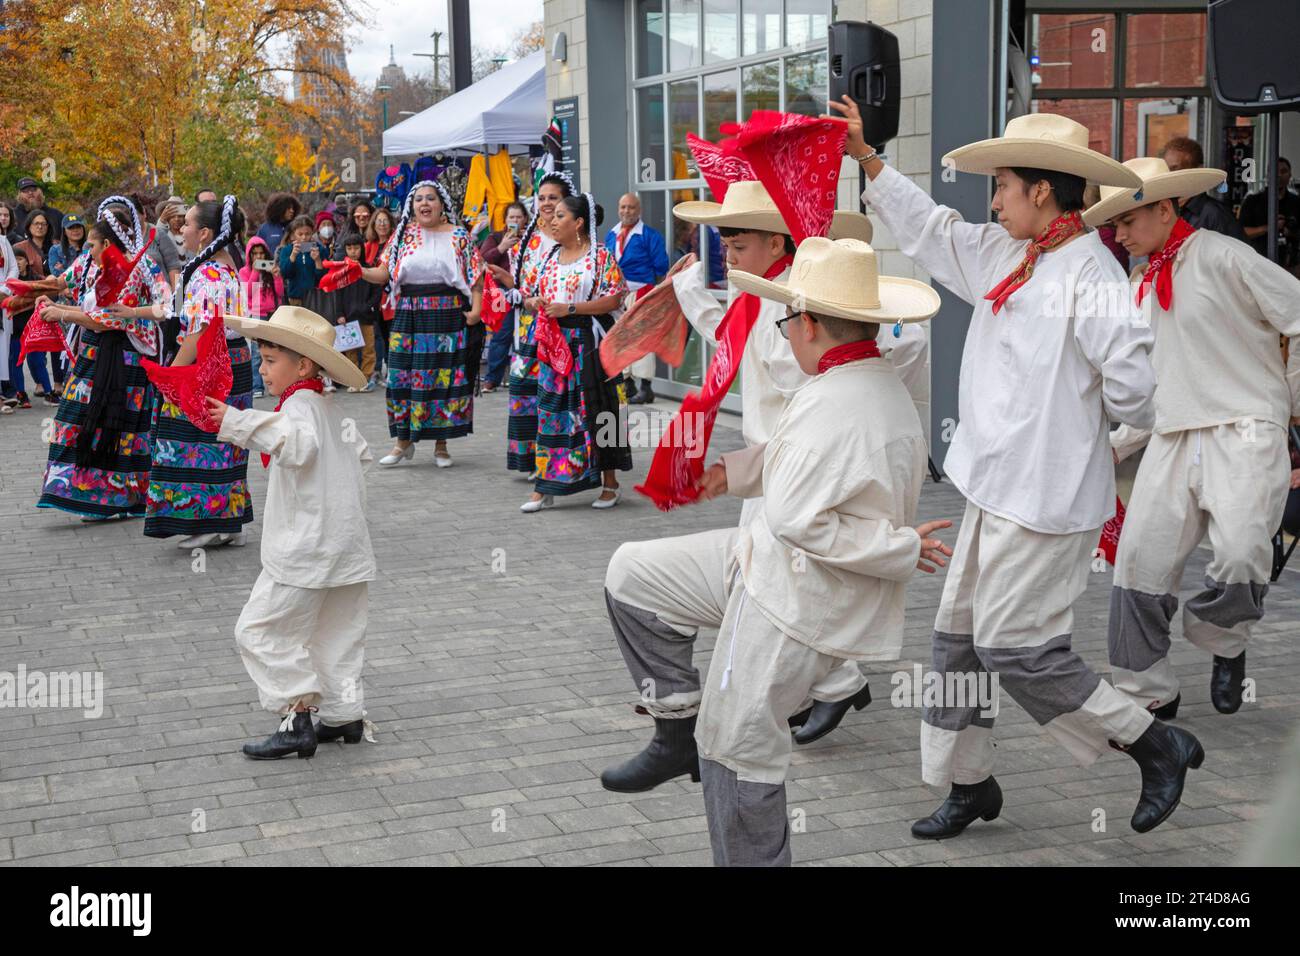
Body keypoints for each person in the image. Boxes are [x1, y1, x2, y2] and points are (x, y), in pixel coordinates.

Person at [831, 96, 1205, 837]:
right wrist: (869, 160)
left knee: (1015, 647)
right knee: (959, 640)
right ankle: (968, 784)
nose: (991, 199)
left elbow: (1138, 394)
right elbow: (934, 234)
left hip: (1048, 498)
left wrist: (1088, 403)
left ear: (1041, 189)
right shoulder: (1013, 254)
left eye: (1001, 185)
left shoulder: (1091, 276)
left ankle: (1150, 739)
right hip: (994, 487)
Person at [602, 238, 945, 865]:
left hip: (794, 601)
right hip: (765, 563)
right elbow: (795, 461)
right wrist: (727, 474)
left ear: (809, 323)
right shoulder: (850, 375)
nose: (783, 334)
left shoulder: (847, 399)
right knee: (632, 575)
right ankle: (676, 723)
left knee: (737, 747)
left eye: (788, 321)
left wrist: (893, 548)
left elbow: (800, 520)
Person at [659, 179, 884, 747]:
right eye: (726, 247)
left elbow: (799, 374)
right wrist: (691, 292)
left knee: (773, 582)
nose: (728, 258)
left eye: (737, 247)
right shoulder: (761, 293)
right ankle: (831, 681)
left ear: (777, 244)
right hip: (767, 462)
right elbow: (732, 341)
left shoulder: (792, 303)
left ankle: (805, 688)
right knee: (767, 578)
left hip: (787, 461)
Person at [1086, 157, 1300, 720]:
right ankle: (1148, 690)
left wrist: (1294, 408)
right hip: (1171, 436)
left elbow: (1298, 311)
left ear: (1165, 208)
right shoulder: (1134, 287)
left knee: (1241, 554)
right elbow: (1153, 382)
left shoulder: (1226, 255)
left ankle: (1224, 642)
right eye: (1114, 226)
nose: (1120, 235)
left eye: (1128, 221)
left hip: (1245, 425)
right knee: (1137, 563)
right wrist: (1114, 444)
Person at [205, 305, 375, 759]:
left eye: (270, 361)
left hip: (307, 548)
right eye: (261, 360)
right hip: (347, 546)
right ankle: (344, 715)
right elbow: (357, 455)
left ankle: (298, 716)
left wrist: (233, 420)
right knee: (335, 633)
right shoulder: (328, 406)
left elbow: (294, 443)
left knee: (258, 630)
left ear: (303, 364)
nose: (263, 371)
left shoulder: (299, 407)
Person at [33, 197, 170, 520]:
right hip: (95, 352)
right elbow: (68, 290)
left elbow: (109, 318)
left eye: (92, 244)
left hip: (122, 357)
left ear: (108, 242)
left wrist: (62, 313)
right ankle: (104, 496)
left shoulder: (134, 269)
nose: (87, 250)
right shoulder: (95, 264)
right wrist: (36, 297)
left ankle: (107, 497)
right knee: (88, 420)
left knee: (114, 425)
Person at [144, 196, 255, 549]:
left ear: (205, 233)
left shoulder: (209, 274)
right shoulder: (212, 266)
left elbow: (198, 335)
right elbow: (176, 312)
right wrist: (131, 313)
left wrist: (171, 378)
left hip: (211, 363)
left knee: (204, 441)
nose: (182, 229)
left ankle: (214, 521)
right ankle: (224, 521)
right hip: (226, 361)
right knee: (219, 440)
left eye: (188, 223)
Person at [515, 194, 630, 511]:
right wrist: (535, 302)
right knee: (552, 412)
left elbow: (615, 298)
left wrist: (571, 307)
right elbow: (529, 294)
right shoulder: (549, 256)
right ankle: (546, 484)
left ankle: (610, 483)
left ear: (579, 223)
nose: (551, 220)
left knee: (599, 409)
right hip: (554, 344)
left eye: (560, 215)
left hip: (588, 342)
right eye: (551, 215)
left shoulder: (600, 257)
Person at [358, 180, 484, 468]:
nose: (424, 204)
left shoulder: (459, 236)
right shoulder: (402, 236)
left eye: (430, 199)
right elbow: (383, 273)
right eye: (419, 200)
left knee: (443, 377)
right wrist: (360, 271)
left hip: (448, 314)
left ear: (442, 206)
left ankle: (441, 445)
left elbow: (476, 275)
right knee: (402, 376)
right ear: (411, 207)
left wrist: (476, 311)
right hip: (409, 314)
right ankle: (403, 441)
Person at [485, 172, 572, 476]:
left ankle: (559, 459)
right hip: (529, 325)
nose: (547, 203)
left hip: (564, 325)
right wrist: (517, 289)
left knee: (556, 392)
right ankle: (534, 459)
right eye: (543, 197)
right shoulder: (529, 239)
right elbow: (520, 285)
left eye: (554, 197)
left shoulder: (574, 237)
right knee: (527, 391)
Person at [605, 192, 669, 404]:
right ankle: (628, 384)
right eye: (623, 207)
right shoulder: (611, 235)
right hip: (618, 295)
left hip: (641, 292)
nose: (626, 211)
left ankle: (646, 386)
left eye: (631, 207)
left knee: (641, 339)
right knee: (621, 339)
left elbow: (661, 265)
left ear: (639, 210)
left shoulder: (650, 236)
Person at [478, 200, 530, 393]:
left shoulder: (532, 237)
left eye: (518, 217)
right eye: (511, 217)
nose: (515, 220)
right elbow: (481, 260)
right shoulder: (496, 236)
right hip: (501, 292)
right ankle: (492, 378)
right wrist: (502, 247)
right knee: (501, 335)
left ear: (525, 218)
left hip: (527, 291)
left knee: (528, 334)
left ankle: (525, 376)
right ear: (505, 220)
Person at [1162, 136, 1246, 240]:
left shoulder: (1216, 214)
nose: (1168, 176)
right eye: (1166, 170)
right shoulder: (1165, 211)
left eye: (1175, 169)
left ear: (1198, 171)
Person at [238, 235, 285, 398]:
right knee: (256, 354)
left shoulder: (271, 269)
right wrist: (255, 272)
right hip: (255, 314)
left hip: (271, 313)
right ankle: (257, 385)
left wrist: (277, 276)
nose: (258, 257)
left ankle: (276, 382)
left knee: (275, 351)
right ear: (249, 255)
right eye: (255, 254)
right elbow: (247, 293)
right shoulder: (244, 272)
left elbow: (279, 293)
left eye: (261, 253)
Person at [336, 232, 379, 391]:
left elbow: (376, 292)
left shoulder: (368, 269)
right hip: (347, 318)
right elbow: (338, 294)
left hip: (366, 316)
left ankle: (366, 378)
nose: (353, 251)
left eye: (356, 248)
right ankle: (353, 380)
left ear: (362, 248)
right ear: (345, 250)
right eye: (349, 248)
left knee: (368, 349)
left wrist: (367, 306)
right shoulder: (342, 271)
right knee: (350, 350)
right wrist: (339, 314)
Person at [1238, 156, 1300, 265]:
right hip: (1259, 262)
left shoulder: (1296, 202)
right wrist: (1268, 228)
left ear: (1290, 175)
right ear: (1267, 175)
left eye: (1283, 171)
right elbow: (1242, 232)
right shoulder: (1252, 201)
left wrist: (1289, 232)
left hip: (1290, 263)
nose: (1279, 175)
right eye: (1275, 171)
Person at [365, 206, 398, 386]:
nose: (383, 225)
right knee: (377, 335)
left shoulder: (395, 243)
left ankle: (392, 370)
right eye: (379, 221)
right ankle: (377, 370)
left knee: (391, 334)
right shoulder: (368, 246)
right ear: (374, 224)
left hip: (390, 297)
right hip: (372, 298)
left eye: (386, 221)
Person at [277, 215, 326, 305]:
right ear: (293, 234)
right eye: (300, 234)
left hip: (315, 299)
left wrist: (317, 261)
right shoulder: (287, 250)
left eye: (307, 234)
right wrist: (292, 256)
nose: (304, 237)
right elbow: (284, 274)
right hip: (294, 299)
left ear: (312, 233)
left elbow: (323, 279)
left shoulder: (320, 250)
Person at [147, 198, 186, 288]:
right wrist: (162, 220)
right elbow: (155, 237)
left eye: (180, 216)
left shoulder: (189, 233)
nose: (177, 219)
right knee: (178, 300)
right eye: (172, 216)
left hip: (190, 276)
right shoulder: (163, 235)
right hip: (172, 276)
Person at [14, 209, 53, 279]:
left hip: (55, 287)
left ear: (48, 226)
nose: (40, 227)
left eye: (43, 224)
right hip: (30, 287)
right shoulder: (19, 247)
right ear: (29, 226)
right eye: (36, 223)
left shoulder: (56, 247)